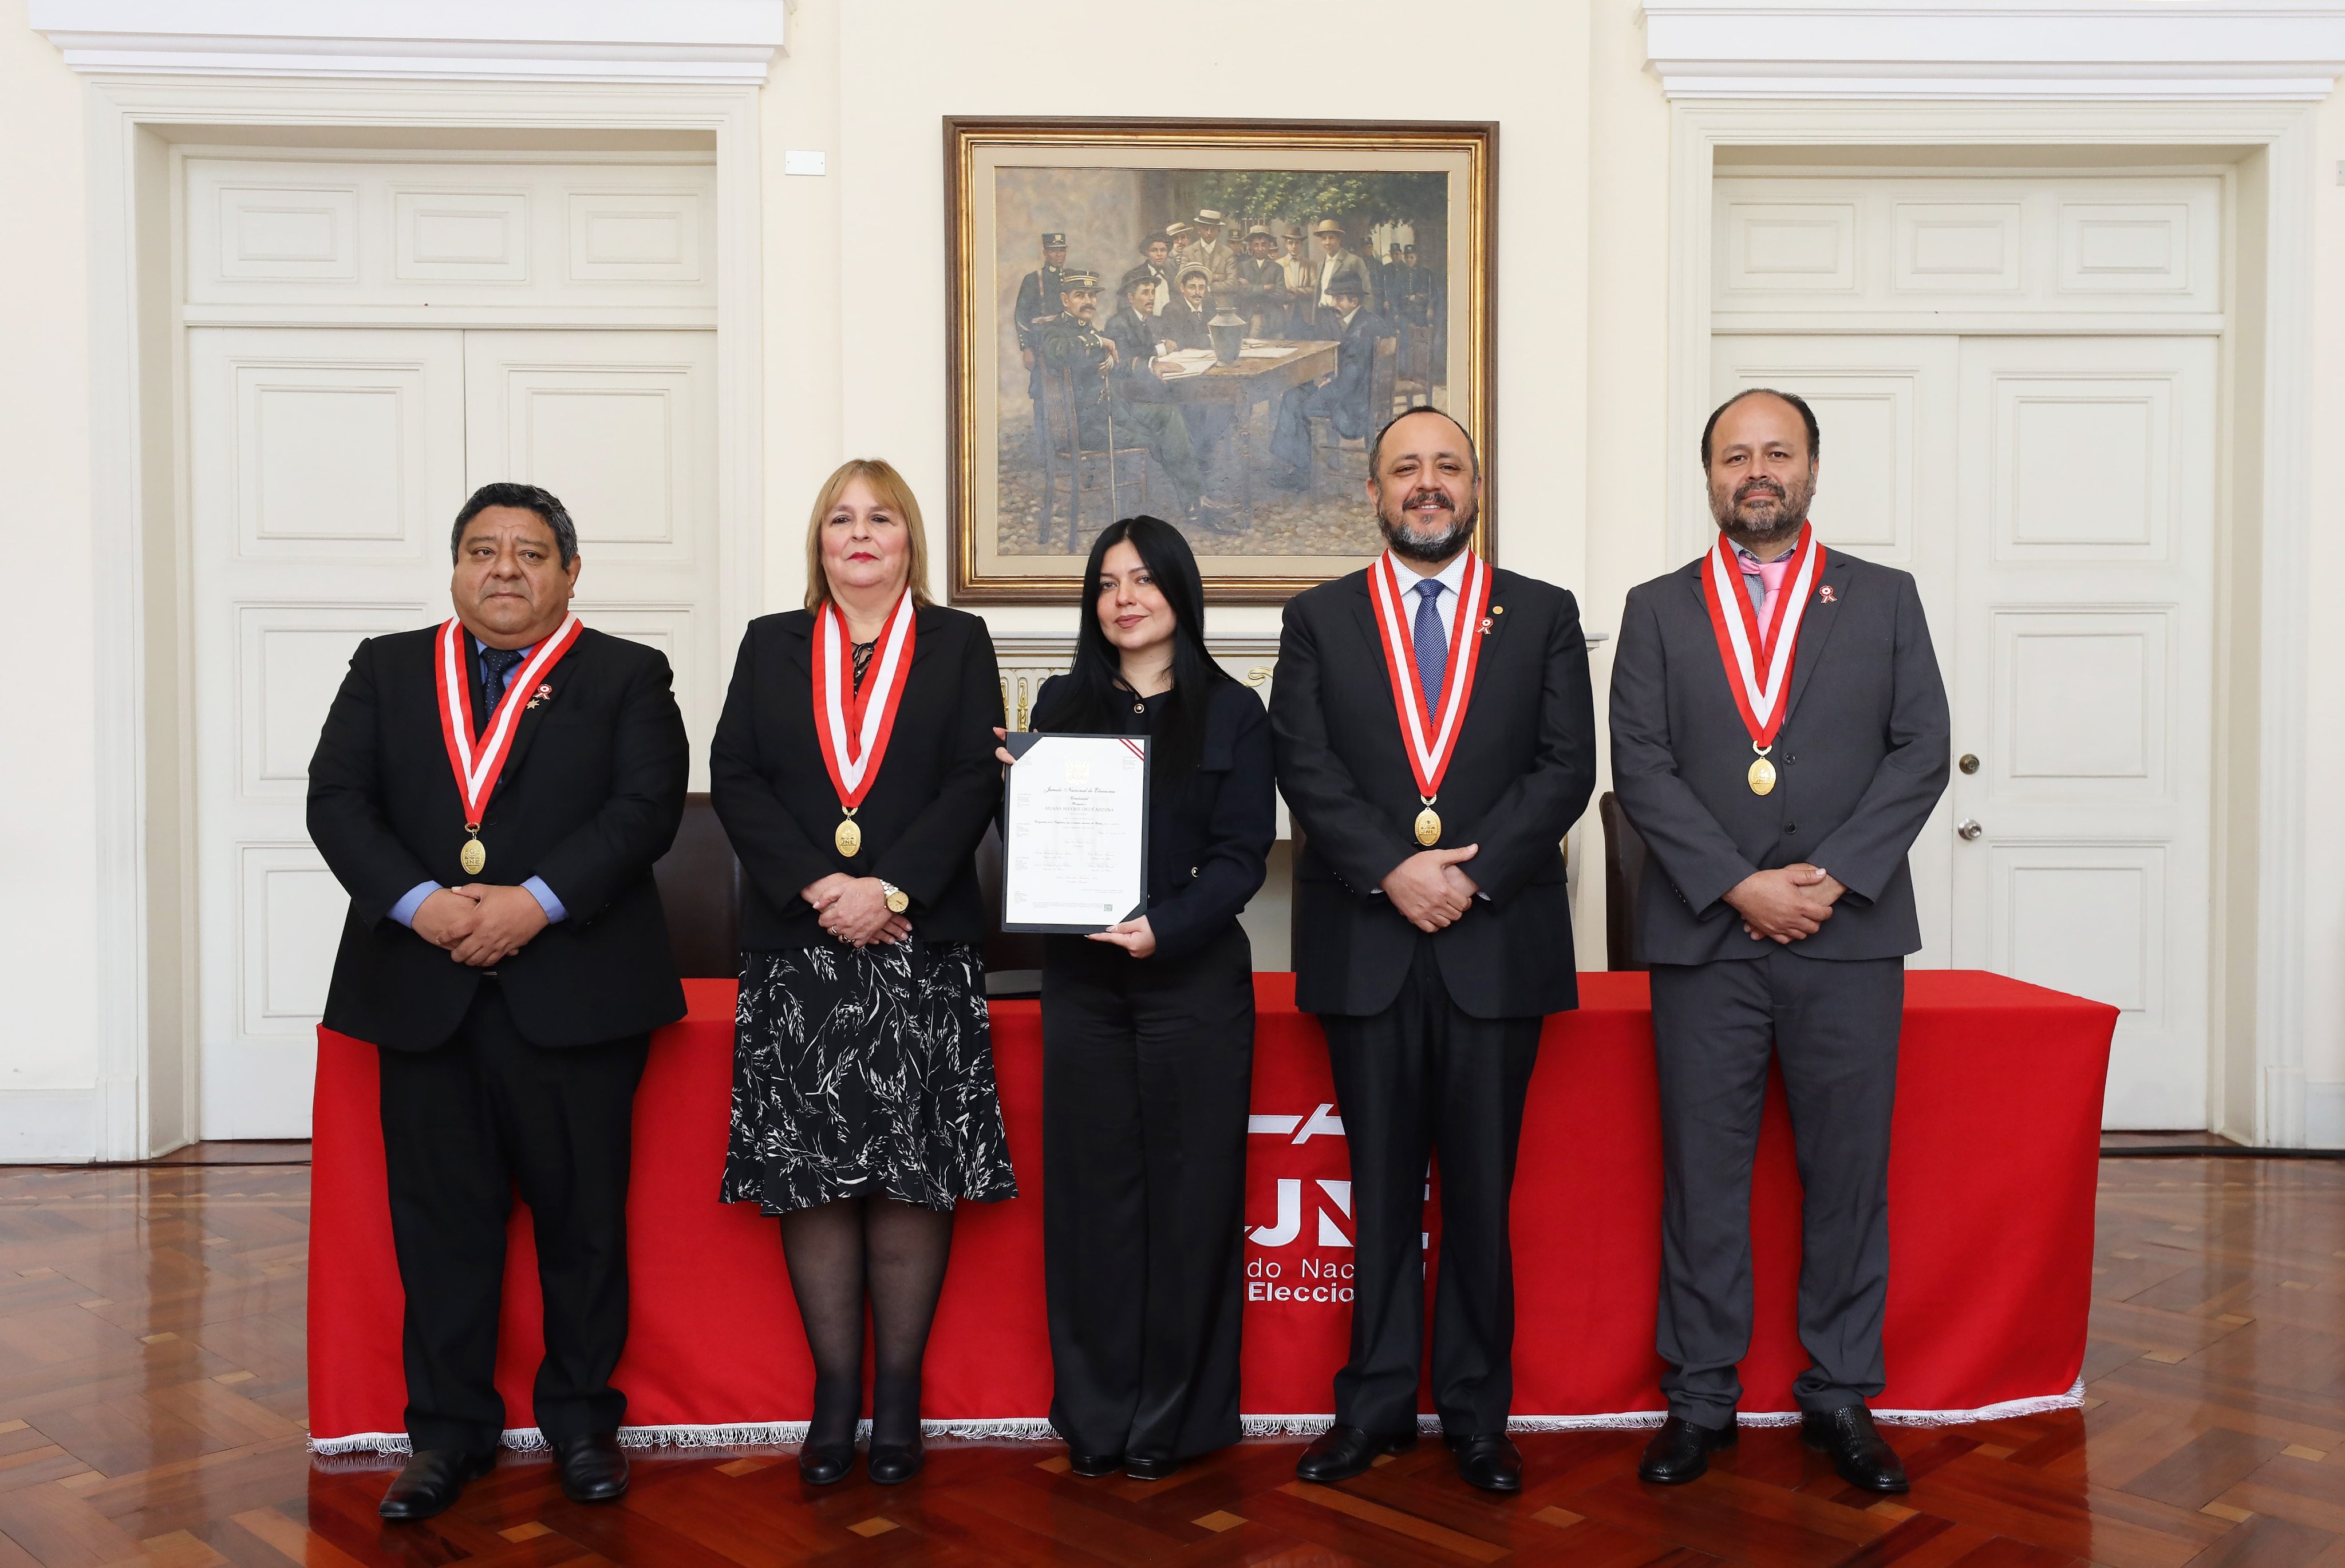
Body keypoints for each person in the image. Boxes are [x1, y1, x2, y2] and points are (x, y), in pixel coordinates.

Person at [307, 481, 690, 1521]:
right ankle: (446, 1435)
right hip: (423, 988)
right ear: (455, 569)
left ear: (570, 573)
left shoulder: (626, 673)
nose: (505, 568)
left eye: (530, 552)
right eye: (483, 550)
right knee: (441, 1226)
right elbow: (336, 800)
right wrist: (425, 905)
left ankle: (580, 1423)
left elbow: (646, 808)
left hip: (575, 992)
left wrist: (537, 903)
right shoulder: (387, 669)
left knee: (583, 1226)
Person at [1609, 389, 1949, 1493]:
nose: (1756, 471)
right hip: (1707, 938)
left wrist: (1832, 877)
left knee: (1845, 1175)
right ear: (1707, 474)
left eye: (1777, 452)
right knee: (1702, 1176)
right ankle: (1701, 1397)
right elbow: (1642, 767)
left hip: (1847, 935)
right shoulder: (1657, 608)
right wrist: (1739, 885)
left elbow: (1920, 750)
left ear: (1811, 467)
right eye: (1733, 455)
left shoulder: (1886, 598)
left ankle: (1841, 1393)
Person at [1269, 409, 1596, 1494]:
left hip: (1495, 941)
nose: (1427, 484)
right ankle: (1370, 1405)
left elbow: (1563, 768)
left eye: (1446, 467)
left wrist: (1467, 871)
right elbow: (1304, 766)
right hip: (1368, 940)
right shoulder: (1319, 618)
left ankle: (1474, 1412)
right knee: (1378, 1188)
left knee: (1479, 1192)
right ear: (1372, 492)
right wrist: (1393, 868)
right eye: (1406, 468)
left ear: (1475, 487)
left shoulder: (1542, 613)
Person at [709, 459, 1018, 1488]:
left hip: (916, 949)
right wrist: (819, 887)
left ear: (907, 538)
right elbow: (739, 776)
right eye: (840, 517)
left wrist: (890, 888)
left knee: (911, 1176)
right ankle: (834, 1396)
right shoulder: (770, 644)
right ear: (819, 540)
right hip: (800, 955)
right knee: (812, 1178)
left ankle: (899, 1397)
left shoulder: (958, 641)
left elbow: (976, 776)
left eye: (879, 517)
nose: (859, 533)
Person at [1001, 516, 1274, 1483]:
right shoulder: (1062, 704)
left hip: (1193, 983)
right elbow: (1043, 848)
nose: (1123, 596)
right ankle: (1096, 1414)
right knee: (1092, 1202)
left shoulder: (1235, 711)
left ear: (1179, 592)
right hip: (1082, 988)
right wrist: (1019, 790)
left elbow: (1244, 857)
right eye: (1107, 582)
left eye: (1143, 580)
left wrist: (1171, 923)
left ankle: (1179, 1418)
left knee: (1191, 1201)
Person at [1040, 269, 1231, 524]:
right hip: (1086, 426)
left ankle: (1197, 499)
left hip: (1113, 410)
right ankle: (1184, 504)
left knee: (1168, 415)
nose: (1088, 301)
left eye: (1092, 295)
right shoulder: (1053, 331)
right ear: (1065, 300)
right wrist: (1098, 343)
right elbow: (1059, 351)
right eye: (1079, 295)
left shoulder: (1088, 329)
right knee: (1150, 438)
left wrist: (1151, 365)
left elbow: (1117, 365)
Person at [1268, 275, 1390, 488]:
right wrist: (1329, 379)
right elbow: (1353, 371)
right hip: (1353, 393)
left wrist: (1328, 384)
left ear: (1354, 302)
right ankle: (1288, 460)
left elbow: (1349, 382)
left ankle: (1304, 472)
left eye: (1339, 299)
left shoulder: (1362, 331)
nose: (1334, 304)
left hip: (1353, 408)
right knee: (1292, 395)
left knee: (1304, 407)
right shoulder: (1364, 321)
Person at [1014, 232, 1071, 429]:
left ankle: (1070, 445)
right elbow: (1021, 316)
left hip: (1068, 342)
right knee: (1042, 393)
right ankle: (1043, 450)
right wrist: (1027, 349)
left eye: (1062, 251)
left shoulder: (1072, 278)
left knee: (1072, 391)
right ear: (1046, 253)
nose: (1059, 256)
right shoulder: (1033, 279)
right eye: (1055, 251)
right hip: (1042, 344)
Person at [1235, 224, 1289, 337]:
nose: (1260, 249)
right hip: (1251, 317)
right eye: (1256, 245)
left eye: (1264, 245)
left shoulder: (1277, 268)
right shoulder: (1242, 267)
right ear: (1250, 246)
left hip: (1274, 319)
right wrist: (1266, 288)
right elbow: (1241, 292)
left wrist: (1251, 287)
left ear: (1270, 245)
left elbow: (1281, 294)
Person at [1312, 219, 1373, 315]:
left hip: (1343, 317)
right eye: (1324, 238)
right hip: (1323, 316)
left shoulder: (1353, 261)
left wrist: (1364, 320)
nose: (1327, 242)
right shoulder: (1321, 265)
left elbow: (1367, 293)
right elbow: (1318, 294)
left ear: (1339, 239)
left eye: (1331, 238)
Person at [1181, 207, 1239, 294]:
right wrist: (1217, 278)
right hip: (1195, 303)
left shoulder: (1227, 253)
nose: (1209, 233)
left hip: (1221, 304)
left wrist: (1207, 288)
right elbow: (1182, 280)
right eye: (1205, 229)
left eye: (1213, 229)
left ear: (1219, 231)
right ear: (1199, 229)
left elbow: (1233, 283)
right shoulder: (1188, 252)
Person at [1158, 263, 1214, 351]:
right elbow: (1177, 341)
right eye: (1192, 287)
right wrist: (1210, 339)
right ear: (1182, 288)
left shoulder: (1210, 306)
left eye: (1202, 288)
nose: (1198, 292)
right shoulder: (1172, 309)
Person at [1279, 223, 1321, 335]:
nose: (1294, 246)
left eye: (1297, 243)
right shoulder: (1278, 265)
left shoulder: (1311, 265)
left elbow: (1315, 290)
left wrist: (1295, 290)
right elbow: (1277, 290)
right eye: (1291, 243)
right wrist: (1287, 293)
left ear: (1302, 244)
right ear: (1286, 245)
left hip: (1305, 315)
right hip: (1286, 313)